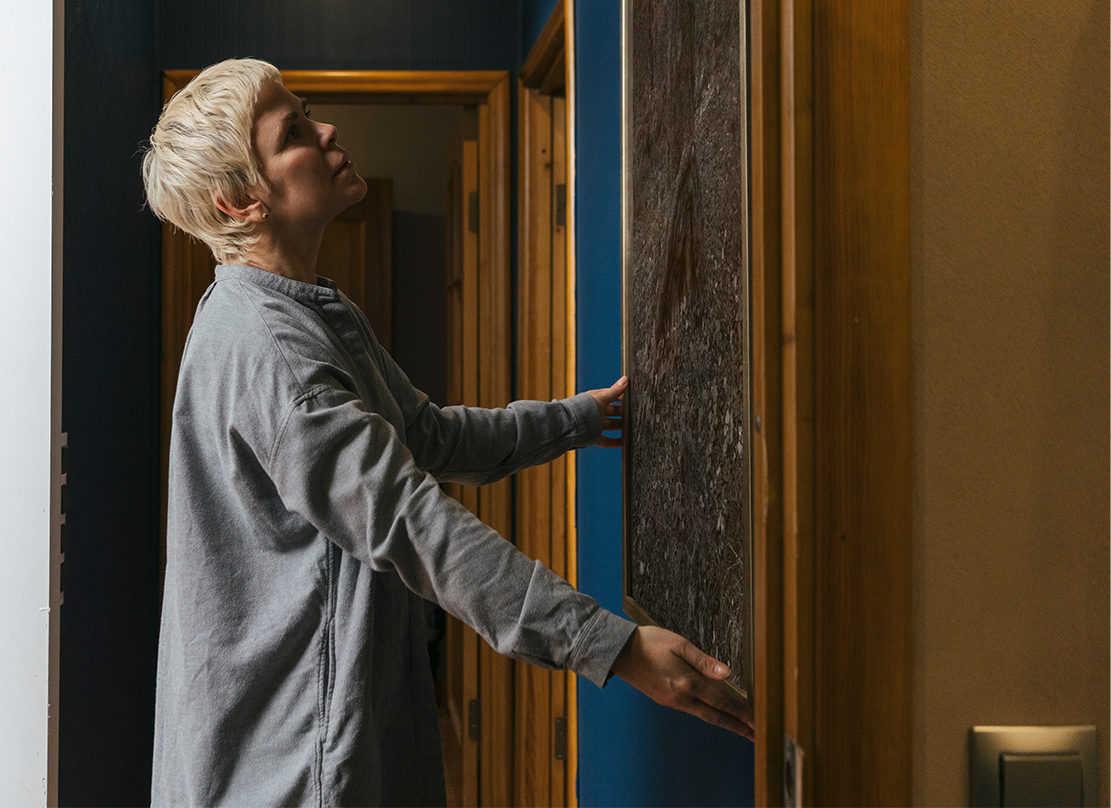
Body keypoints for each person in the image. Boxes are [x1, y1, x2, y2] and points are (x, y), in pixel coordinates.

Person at [141, 58, 754, 807]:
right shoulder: (274, 353)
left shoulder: (303, 310)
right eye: (295, 131)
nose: (328, 129)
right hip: (289, 772)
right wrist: (612, 645)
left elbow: (425, 435)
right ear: (240, 200)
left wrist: (580, 418)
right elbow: (412, 523)